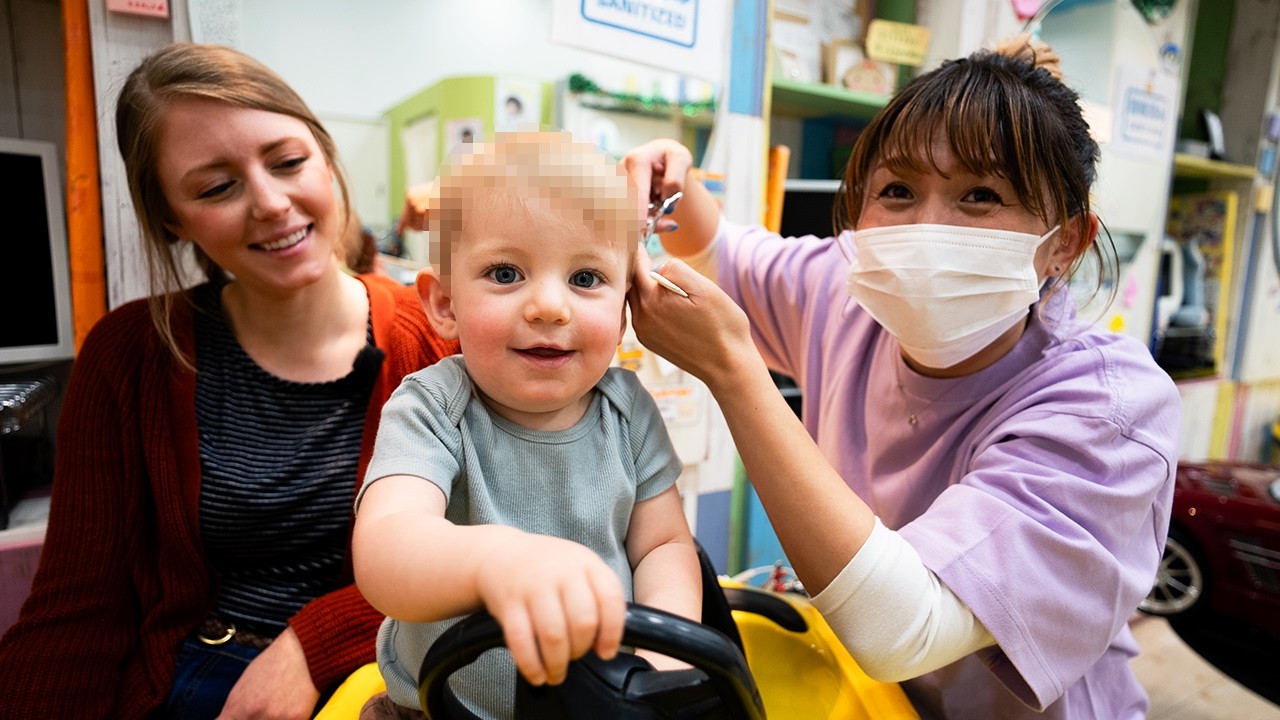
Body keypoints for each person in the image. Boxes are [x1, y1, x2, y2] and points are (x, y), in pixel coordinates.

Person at [625, 35, 1180, 720]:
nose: (925, 228)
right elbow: (721, 254)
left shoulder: (1108, 411)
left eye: (980, 194)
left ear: (1064, 242)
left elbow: (905, 626)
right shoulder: (847, 289)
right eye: (896, 190)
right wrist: (672, 183)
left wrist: (734, 374)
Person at [0, 43, 458, 719]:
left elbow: (497, 551)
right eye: (217, 187)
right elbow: (79, 605)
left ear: (327, 158)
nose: (272, 204)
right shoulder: (130, 354)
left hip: (384, 681)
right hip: (194, 683)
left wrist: (312, 643)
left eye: (289, 162)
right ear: (172, 218)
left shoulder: (437, 336)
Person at [352, 130, 700, 719]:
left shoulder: (629, 410)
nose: (549, 307)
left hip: (594, 706)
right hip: (434, 707)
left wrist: (662, 660)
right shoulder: (433, 406)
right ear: (444, 304)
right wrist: (496, 563)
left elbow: (663, 545)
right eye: (506, 273)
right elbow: (386, 549)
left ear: (624, 313)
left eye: (585, 279)